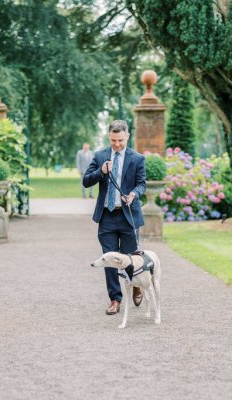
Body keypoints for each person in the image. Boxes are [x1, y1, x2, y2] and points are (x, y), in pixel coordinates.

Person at [83, 120, 146, 315]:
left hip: (128, 216)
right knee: (109, 260)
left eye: (120, 140)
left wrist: (134, 194)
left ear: (127, 136)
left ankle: (136, 285)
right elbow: (86, 181)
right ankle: (115, 299)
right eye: (113, 140)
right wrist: (100, 172)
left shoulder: (137, 158)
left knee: (130, 259)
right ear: (109, 136)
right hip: (107, 216)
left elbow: (141, 184)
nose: (117, 144)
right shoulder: (100, 155)